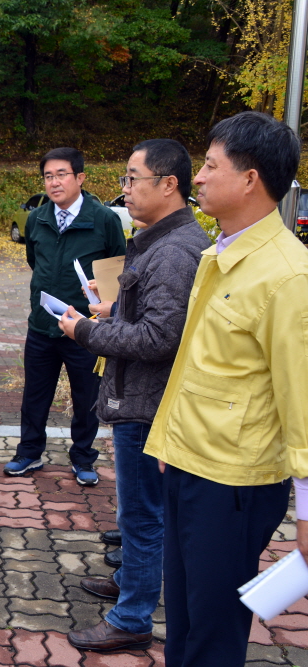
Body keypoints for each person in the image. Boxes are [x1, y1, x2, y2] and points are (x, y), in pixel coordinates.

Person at [145, 111, 308, 667]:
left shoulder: (288, 275)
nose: (198, 177)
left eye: (210, 166)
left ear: (250, 178)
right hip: (188, 464)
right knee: (185, 622)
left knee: (213, 633)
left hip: (233, 484)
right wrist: (171, 444)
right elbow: (197, 364)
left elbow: (303, 402)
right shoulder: (219, 254)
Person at [57, 139, 209, 651]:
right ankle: (132, 585)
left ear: (169, 185)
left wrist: (85, 332)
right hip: (141, 399)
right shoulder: (161, 241)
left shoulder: (172, 251)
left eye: (131, 178)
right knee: (138, 513)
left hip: (147, 404)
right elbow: (152, 320)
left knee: (142, 515)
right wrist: (110, 314)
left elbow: (157, 338)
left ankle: (132, 617)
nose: (123, 189)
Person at [4, 147, 126, 486]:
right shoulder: (37, 219)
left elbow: (117, 269)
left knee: (86, 395)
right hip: (43, 326)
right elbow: (34, 260)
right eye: (48, 176)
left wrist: (101, 301)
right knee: (35, 394)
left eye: (62, 174)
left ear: (80, 178)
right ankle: (29, 453)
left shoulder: (104, 220)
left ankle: (83, 458)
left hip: (85, 330)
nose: (54, 182)